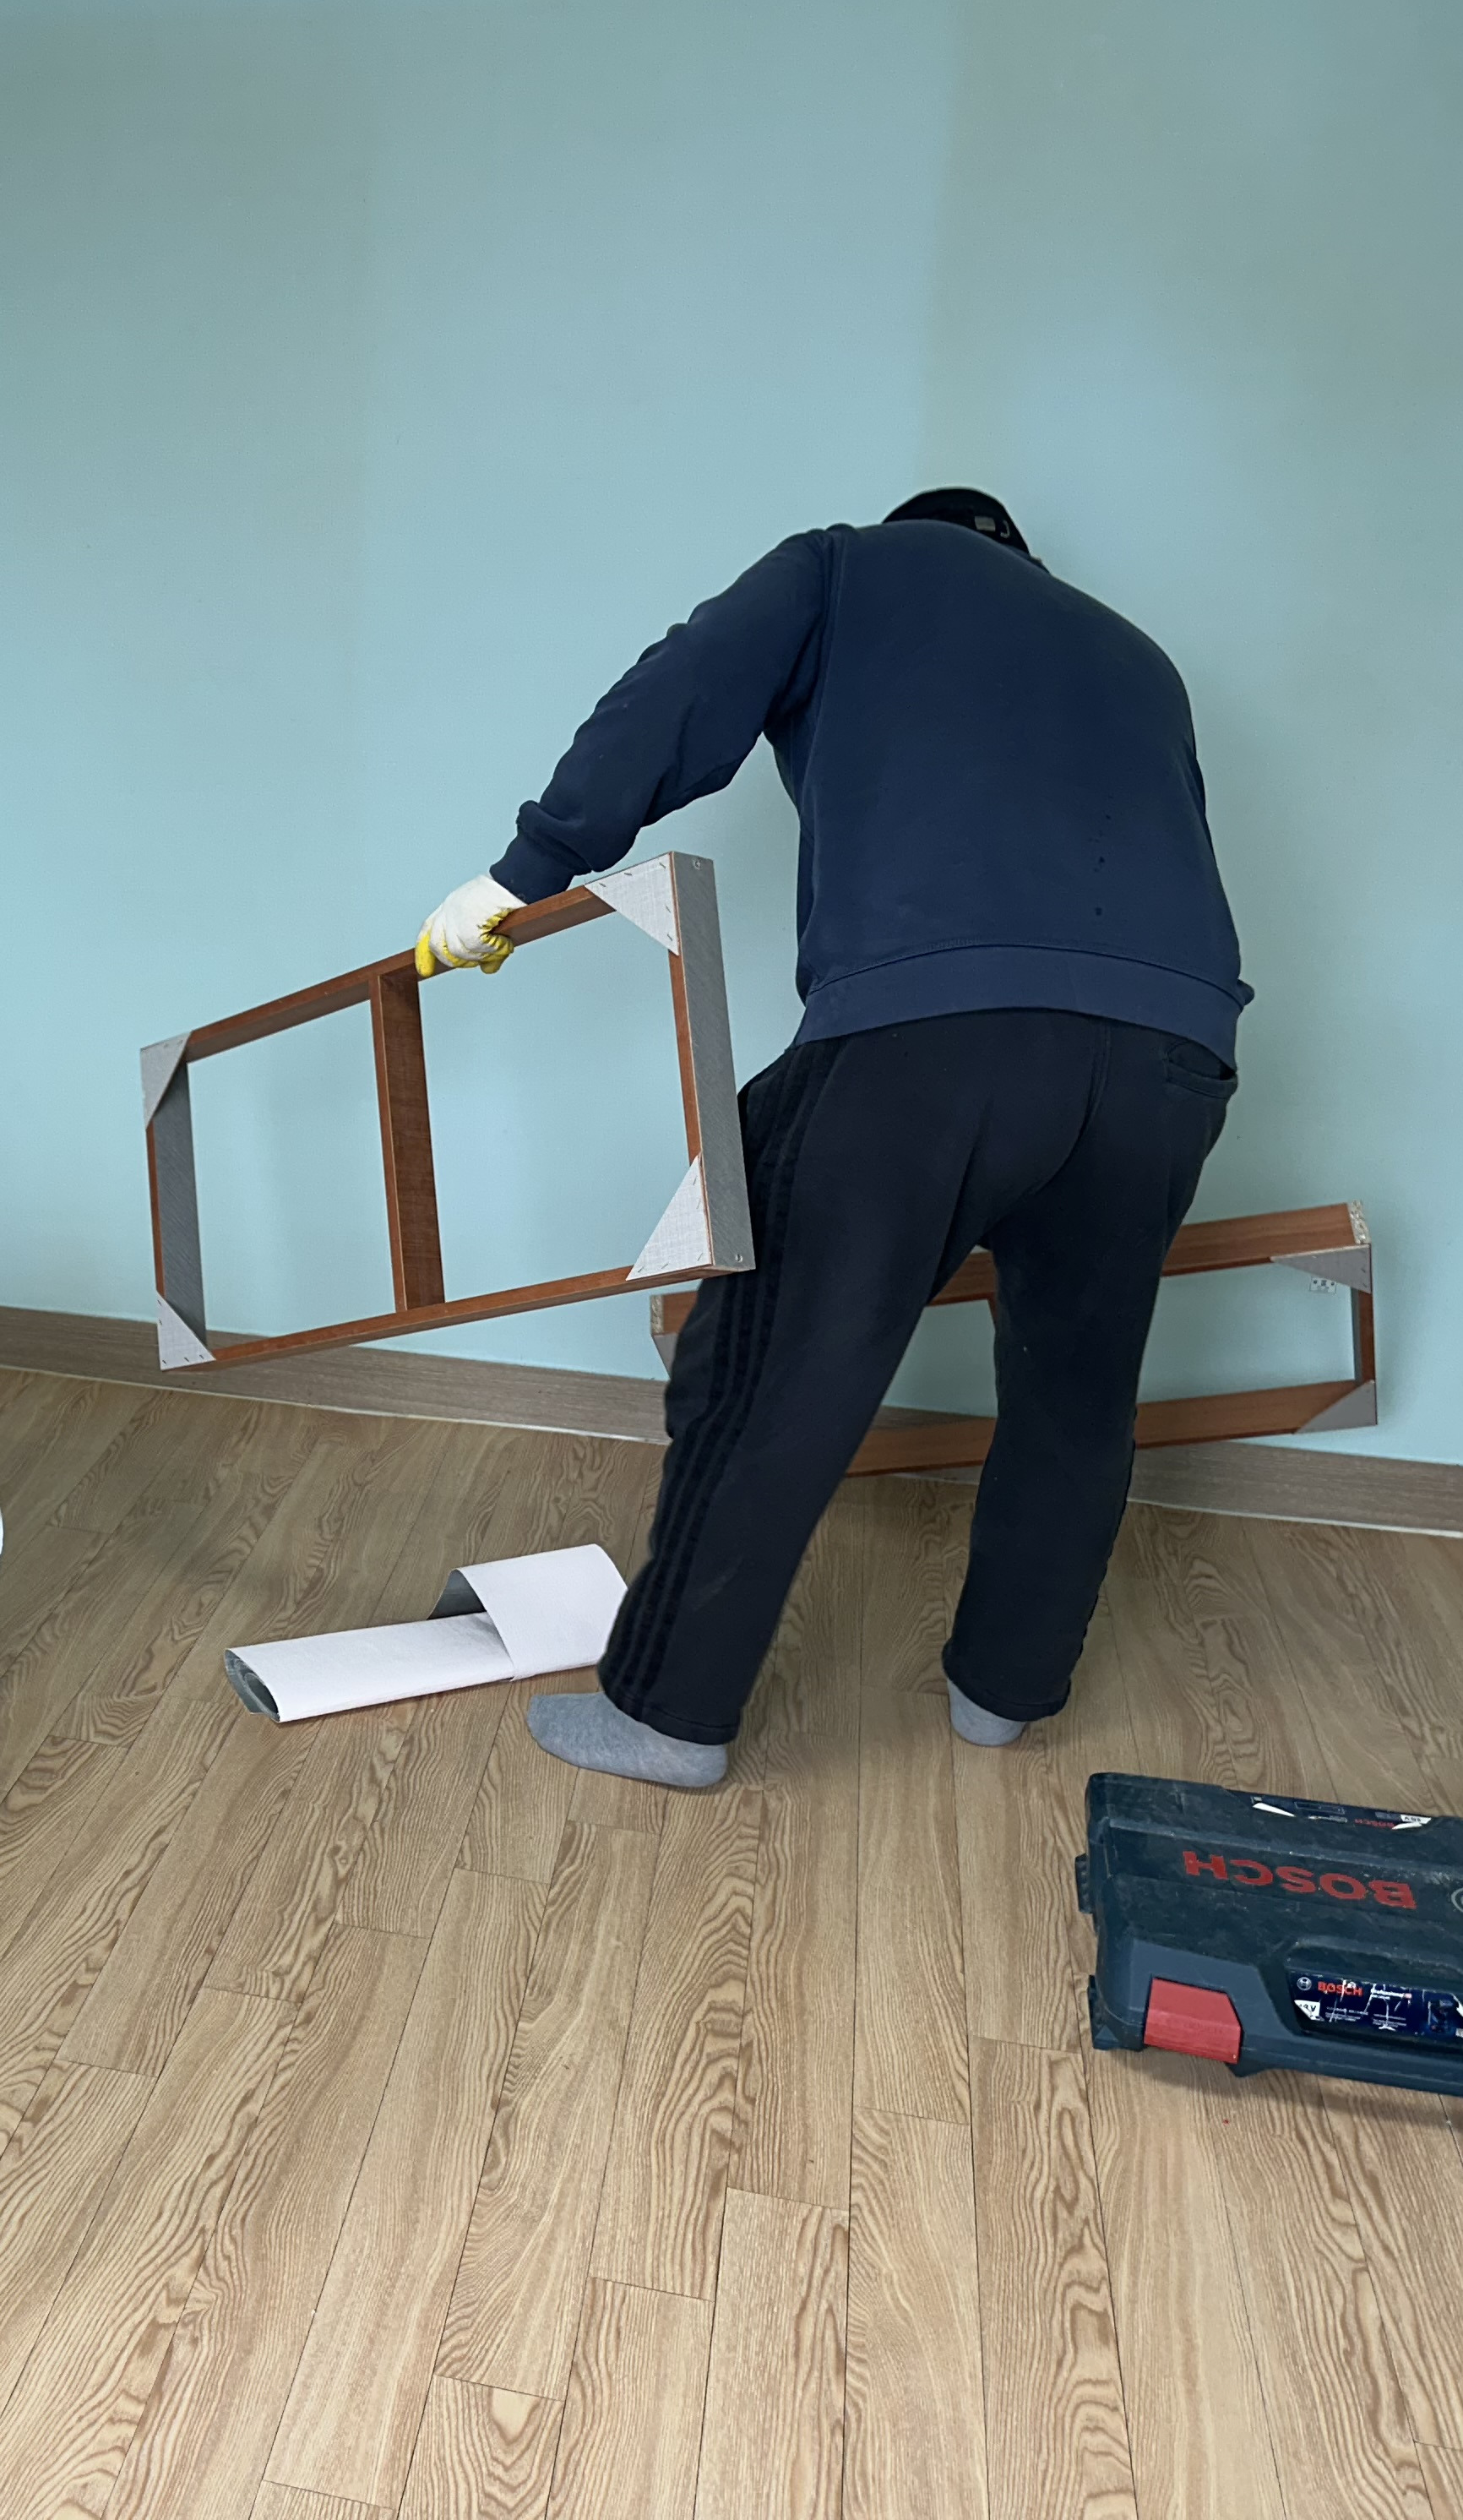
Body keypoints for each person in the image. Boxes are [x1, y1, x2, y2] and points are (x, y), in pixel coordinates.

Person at [416, 488, 1245, 1793]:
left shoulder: (847, 569)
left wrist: (526, 871)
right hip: (1173, 1053)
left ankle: (668, 1716)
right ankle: (1004, 1696)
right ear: (1018, 555)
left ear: (917, 532)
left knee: (771, 1361)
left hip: (935, 1028)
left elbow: (681, 691)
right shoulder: (1141, 657)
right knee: (1077, 1389)